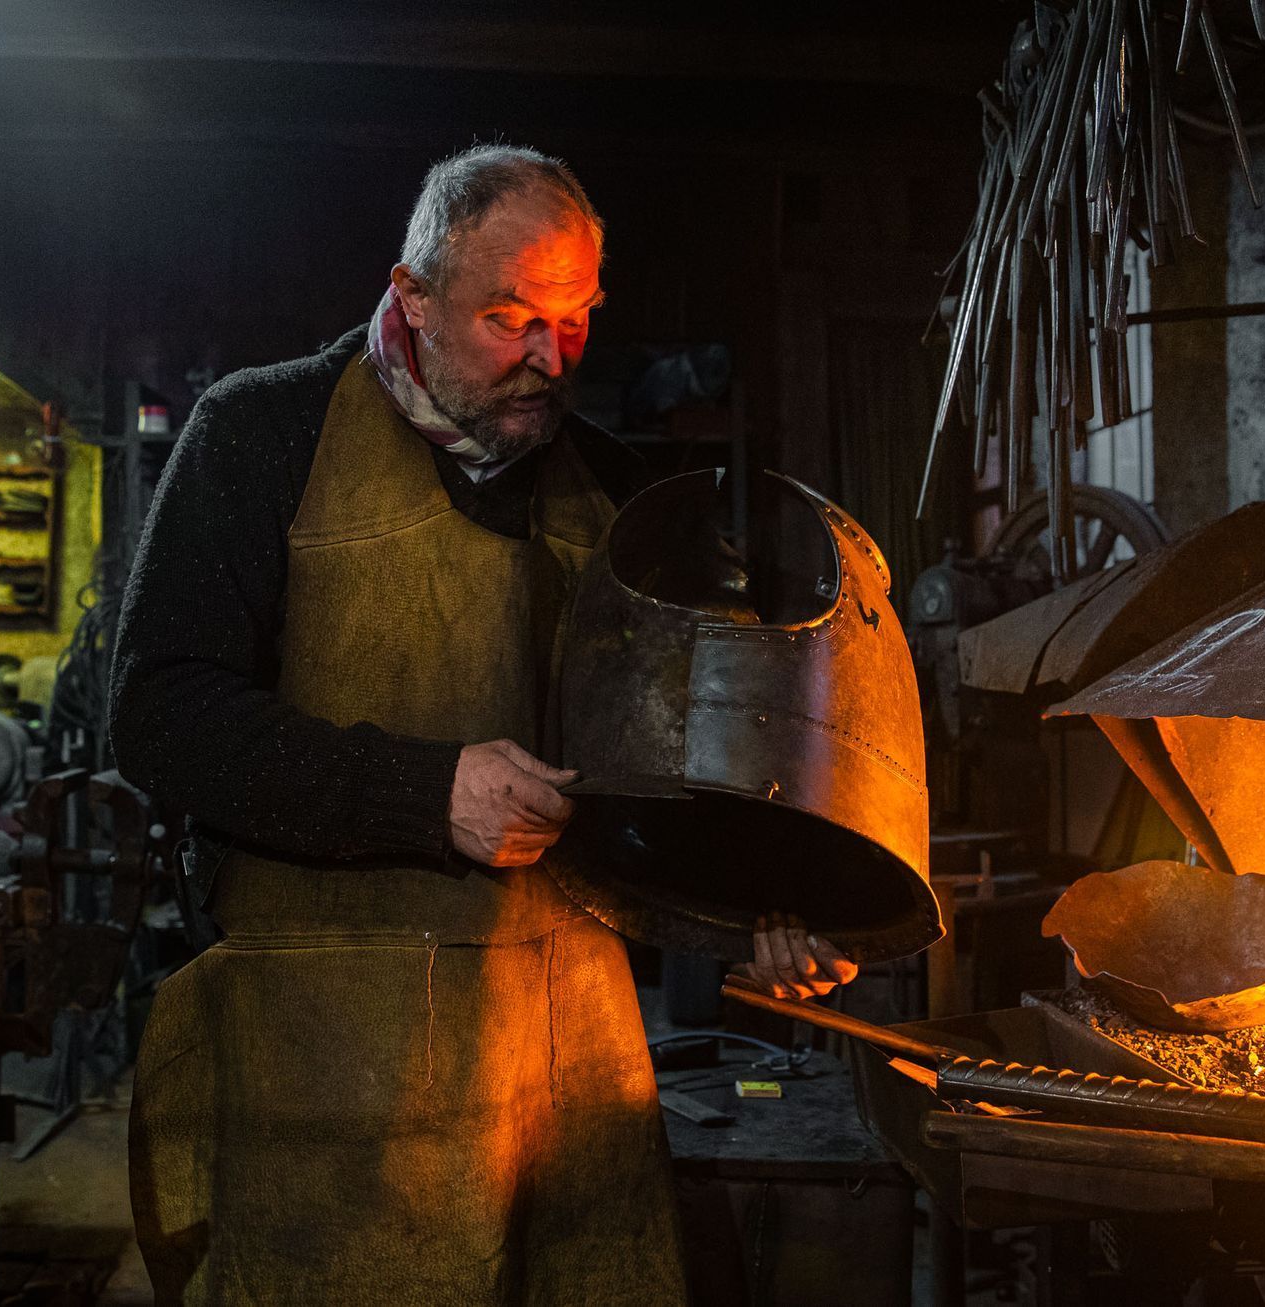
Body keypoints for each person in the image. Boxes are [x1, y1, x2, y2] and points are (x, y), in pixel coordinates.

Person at [111, 144, 855, 1305]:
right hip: (326, 1065)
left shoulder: (613, 490)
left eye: (576, 318)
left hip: (568, 1060)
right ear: (413, 296)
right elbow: (160, 713)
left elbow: (686, 764)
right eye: (510, 318)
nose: (550, 359)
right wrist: (425, 791)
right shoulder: (262, 432)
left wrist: (769, 896)